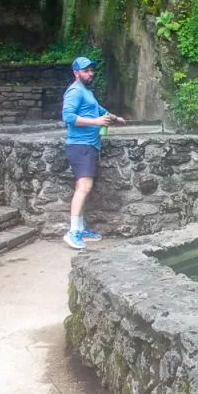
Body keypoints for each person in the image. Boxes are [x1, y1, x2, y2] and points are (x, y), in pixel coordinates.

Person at [62, 56, 125, 250]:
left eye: (91, 70)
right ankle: (72, 233)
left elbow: (98, 109)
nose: (90, 73)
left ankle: (80, 229)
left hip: (88, 145)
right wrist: (96, 122)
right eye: (86, 70)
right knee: (84, 187)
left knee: (84, 187)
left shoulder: (86, 92)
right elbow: (68, 117)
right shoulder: (74, 91)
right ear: (76, 73)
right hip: (80, 145)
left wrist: (115, 118)